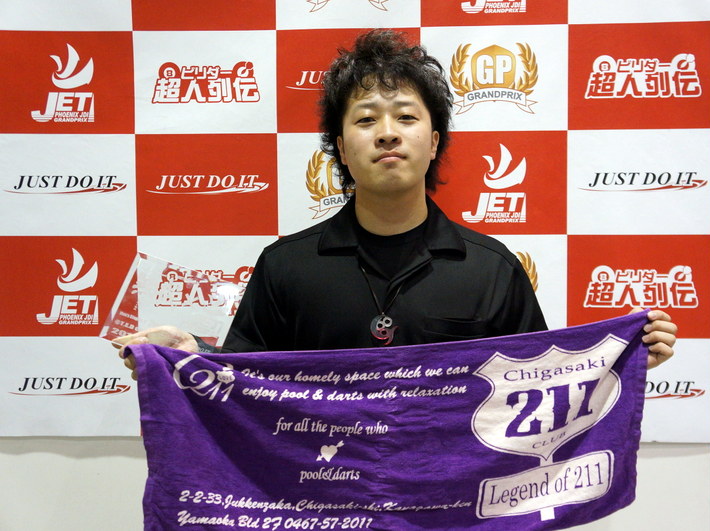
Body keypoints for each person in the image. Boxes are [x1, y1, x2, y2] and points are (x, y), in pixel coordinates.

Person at [116, 29, 677, 378]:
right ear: (341, 148)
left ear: (433, 143)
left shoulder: (491, 269)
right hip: (323, 505)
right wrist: (187, 353)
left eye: (406, 117)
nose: (387, 132)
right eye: (366, 119)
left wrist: (619, 361)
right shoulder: (286, 265)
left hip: (450, 509)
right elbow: (245, 382)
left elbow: (535, 387)